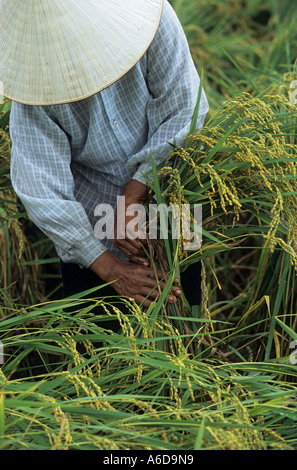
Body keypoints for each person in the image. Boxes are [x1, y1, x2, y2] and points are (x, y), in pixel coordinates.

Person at [2, 0, 209, 310]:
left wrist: (133, 193)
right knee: (101, 341)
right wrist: (108, 267)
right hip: (90, 213)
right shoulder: (34, 88)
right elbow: (41, 188)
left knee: (184, 312)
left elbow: (186, 110)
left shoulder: (150, 19)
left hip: (170, 190)